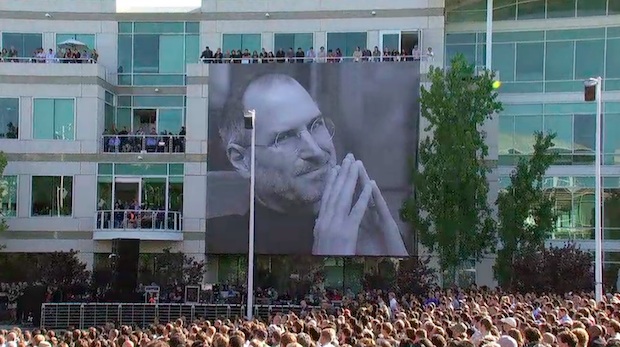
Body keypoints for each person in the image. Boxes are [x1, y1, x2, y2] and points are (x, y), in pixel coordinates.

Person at [208, 73, 408, 256]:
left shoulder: (372, 231)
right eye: (284, 137)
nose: (315, 151)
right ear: (241, 160)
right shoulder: (214, 243)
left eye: (316, 125)